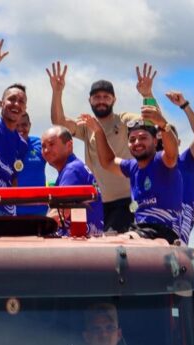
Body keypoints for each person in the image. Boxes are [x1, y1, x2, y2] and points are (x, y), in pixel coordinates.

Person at [49, 61, 159, 233]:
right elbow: (59, 124)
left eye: (106, 97)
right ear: (90, 100)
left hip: (125, 202)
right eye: (97, 97)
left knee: (116, 250)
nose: (101, 101)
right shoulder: (87, 126)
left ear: (114, 99)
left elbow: (152, 121)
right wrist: (57, 92)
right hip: (96, 204)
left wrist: (147, 94)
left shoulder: (123, 121)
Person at [89, 106, 182, 244]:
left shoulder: (162, 161)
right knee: (100, 241)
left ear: (155, 141)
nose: (137, 143)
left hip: (164, 233)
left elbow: (172, 152)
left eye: (143, 138)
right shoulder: (132, 167)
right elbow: (108, 162)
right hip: (140, 231)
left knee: (110, 243)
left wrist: (163, 124)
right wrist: (98, 131)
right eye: (132, 140)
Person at [0, 40, 46, 216]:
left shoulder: (21, 144)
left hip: (7, 209)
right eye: (11, 99)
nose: (16, 104)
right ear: (1, 103)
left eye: (21, 101)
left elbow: (13, 176)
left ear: (25, 109)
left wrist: (13, 206)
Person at [162, 91, 194, 245]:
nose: (165, 142)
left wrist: (185, 106)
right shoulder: (149, 168)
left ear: (178, 142)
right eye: (161, 138)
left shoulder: (187, 162)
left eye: (170, 138)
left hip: (177, 244)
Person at [40, 125, 104, 237]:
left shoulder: (72, 170)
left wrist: (37, 229)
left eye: (51, 144)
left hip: (80, 244)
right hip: (88, 239)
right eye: (43, 146)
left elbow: (61, 212)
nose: (46, 150)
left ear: (69, 146)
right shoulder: (73, 168)